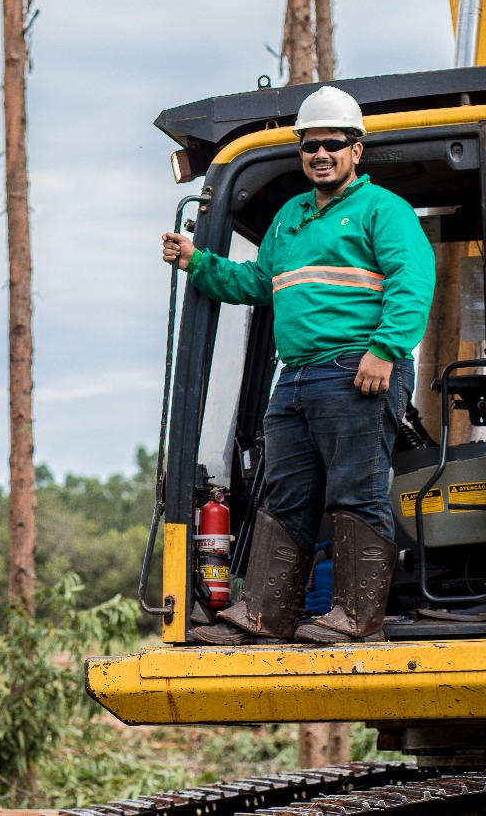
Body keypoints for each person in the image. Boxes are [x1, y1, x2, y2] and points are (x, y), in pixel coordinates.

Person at [161, 86, 435, 645]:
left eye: (334, 144)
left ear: (356, 150)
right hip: (297, 377)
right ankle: (264, 615)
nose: (321, 154)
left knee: (356, 493)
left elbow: (413, 282)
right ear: (302, 152)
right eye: (311, 146)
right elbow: (258, 284)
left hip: (356, 370)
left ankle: (358, 620)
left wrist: (385, 350)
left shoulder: (383, 211)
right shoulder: (290, 219)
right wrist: (198, 263)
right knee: (285, 494)